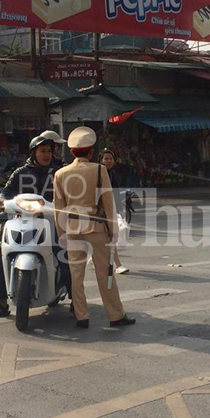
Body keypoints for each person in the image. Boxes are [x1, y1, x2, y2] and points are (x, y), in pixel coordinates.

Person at [54, 127, 135, 329]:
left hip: (72, 228)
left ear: (72, 151)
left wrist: (61, 234)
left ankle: (82, 316)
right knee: (105, 271)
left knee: (76, 274)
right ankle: (115, 315)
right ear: (90, 151)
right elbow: (108, 203)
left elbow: (59, 208)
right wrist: (114, 231)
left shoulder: (60, 173)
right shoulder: (100, 170)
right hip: (97, 228)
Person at [0, 134, 66, 318]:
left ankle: (77, 302)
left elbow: (69, 193)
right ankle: (2, 303)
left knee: (65, 253)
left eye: (49, 151)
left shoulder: (58, 172)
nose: (46, 155)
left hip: (51, 223)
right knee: (1, 253)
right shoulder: (20, 173)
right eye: (42, 151)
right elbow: (6, 192)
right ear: (33, 152)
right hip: (23, 223)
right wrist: (0, 201)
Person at [99, 149, 129, 275]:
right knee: (109, 237)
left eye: (111, 158)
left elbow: (116, 194)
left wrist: (121, 210)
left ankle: (97, 259)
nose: (109, 161)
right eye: (106, 158)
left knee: (109, 236)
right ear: (100, 160)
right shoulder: (97, 174)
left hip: (110, 210)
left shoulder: (113, 174)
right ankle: (118, 264)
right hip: (99, 211)